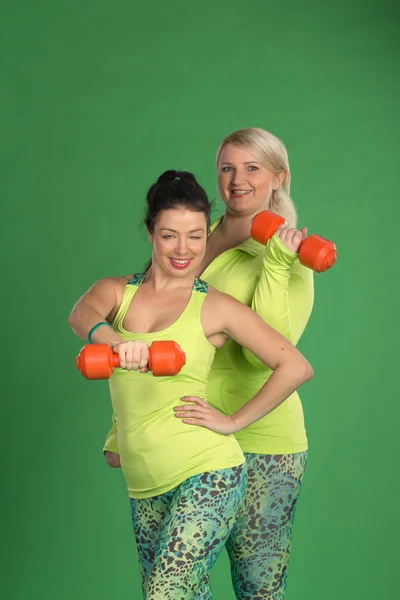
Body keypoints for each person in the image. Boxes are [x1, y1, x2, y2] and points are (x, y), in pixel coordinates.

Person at [69, 169, 313, 600]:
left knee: (164, 594)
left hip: (208, 472)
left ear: (207, 235)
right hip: (144, 479)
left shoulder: (213, 306)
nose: (183, 249)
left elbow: (294, 366)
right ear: (150, 232)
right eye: (170, 236)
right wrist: (116, 341)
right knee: (187, 596)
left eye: (196, 236)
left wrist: (233, 421)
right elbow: (81, 315)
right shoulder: (116, 292)